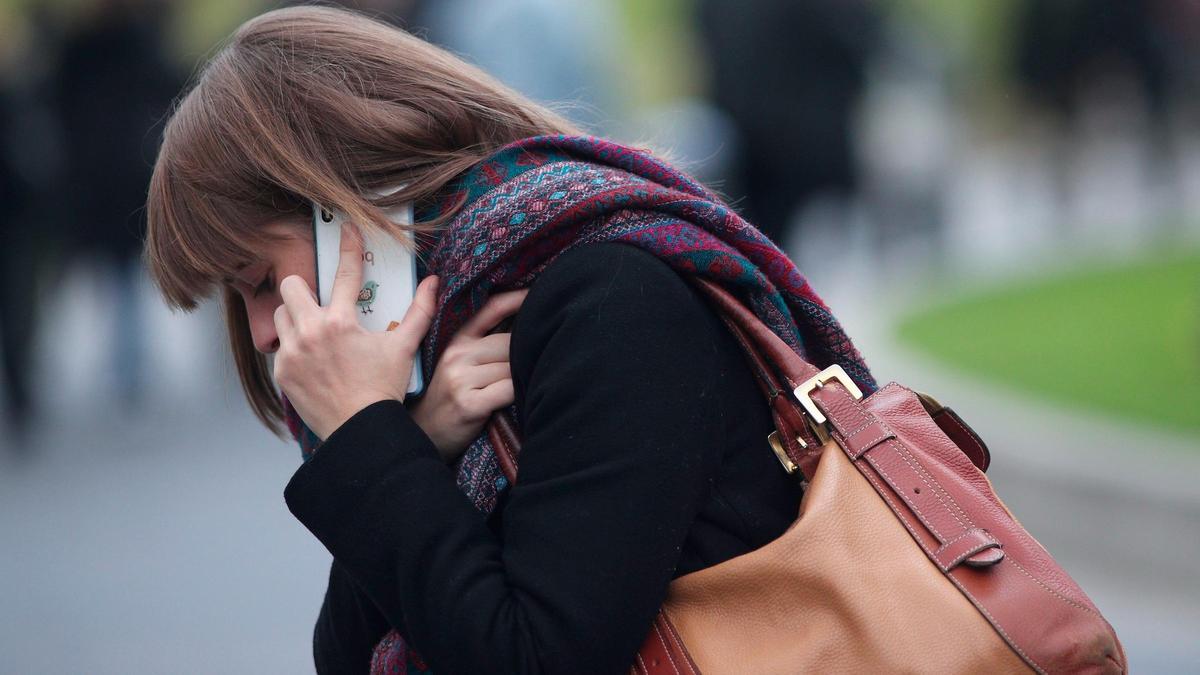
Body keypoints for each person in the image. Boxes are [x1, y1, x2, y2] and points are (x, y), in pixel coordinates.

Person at [142, 6, 875, 674]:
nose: (265, 330)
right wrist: (411, 444)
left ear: (346, 214)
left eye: (262, 279)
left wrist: (369, 437)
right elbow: (347, 657)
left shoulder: (609, 300)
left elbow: (534, 656)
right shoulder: (457, 347)